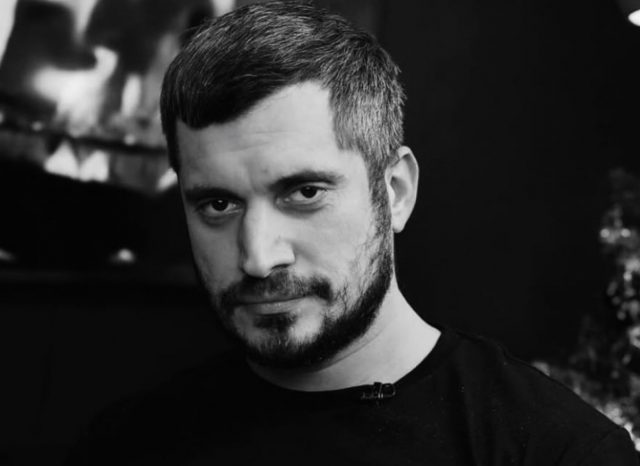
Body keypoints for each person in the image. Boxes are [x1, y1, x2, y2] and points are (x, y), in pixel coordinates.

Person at [64, 2, 639, 465]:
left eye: (304, 193)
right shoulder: (127, 444)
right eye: (218, 204)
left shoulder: (555, 451)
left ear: (396, 192)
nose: (258, 257)